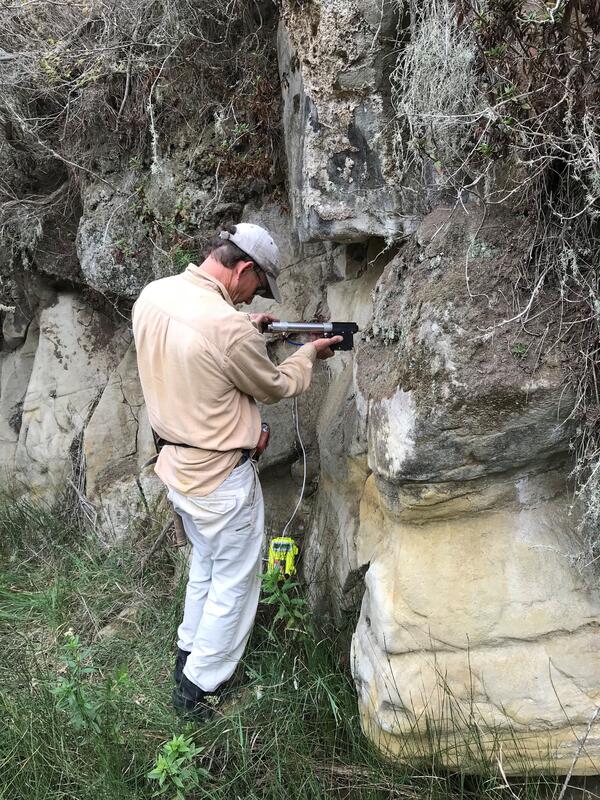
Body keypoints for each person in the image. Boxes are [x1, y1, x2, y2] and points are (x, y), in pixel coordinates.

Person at [132, 222, 342, 717]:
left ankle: (188, 653)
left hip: (176, 467)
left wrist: (251, 329)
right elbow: (274, 385)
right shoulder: (225, 328)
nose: (251, 300)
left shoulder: (156, 295)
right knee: (236, 582)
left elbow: (196, 348)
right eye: (256, 288)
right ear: (243, 269)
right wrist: (309, 352)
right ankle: (202, 689)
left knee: (205, 567)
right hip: (220, 480)